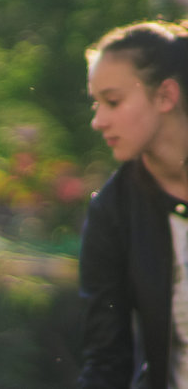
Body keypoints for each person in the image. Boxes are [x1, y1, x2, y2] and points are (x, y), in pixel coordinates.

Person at [79, 19, 188, 388]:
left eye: (113, 101)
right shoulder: (113, 211)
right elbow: (107, 360)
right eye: (96, 104)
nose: (98, 121)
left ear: (166, 96)